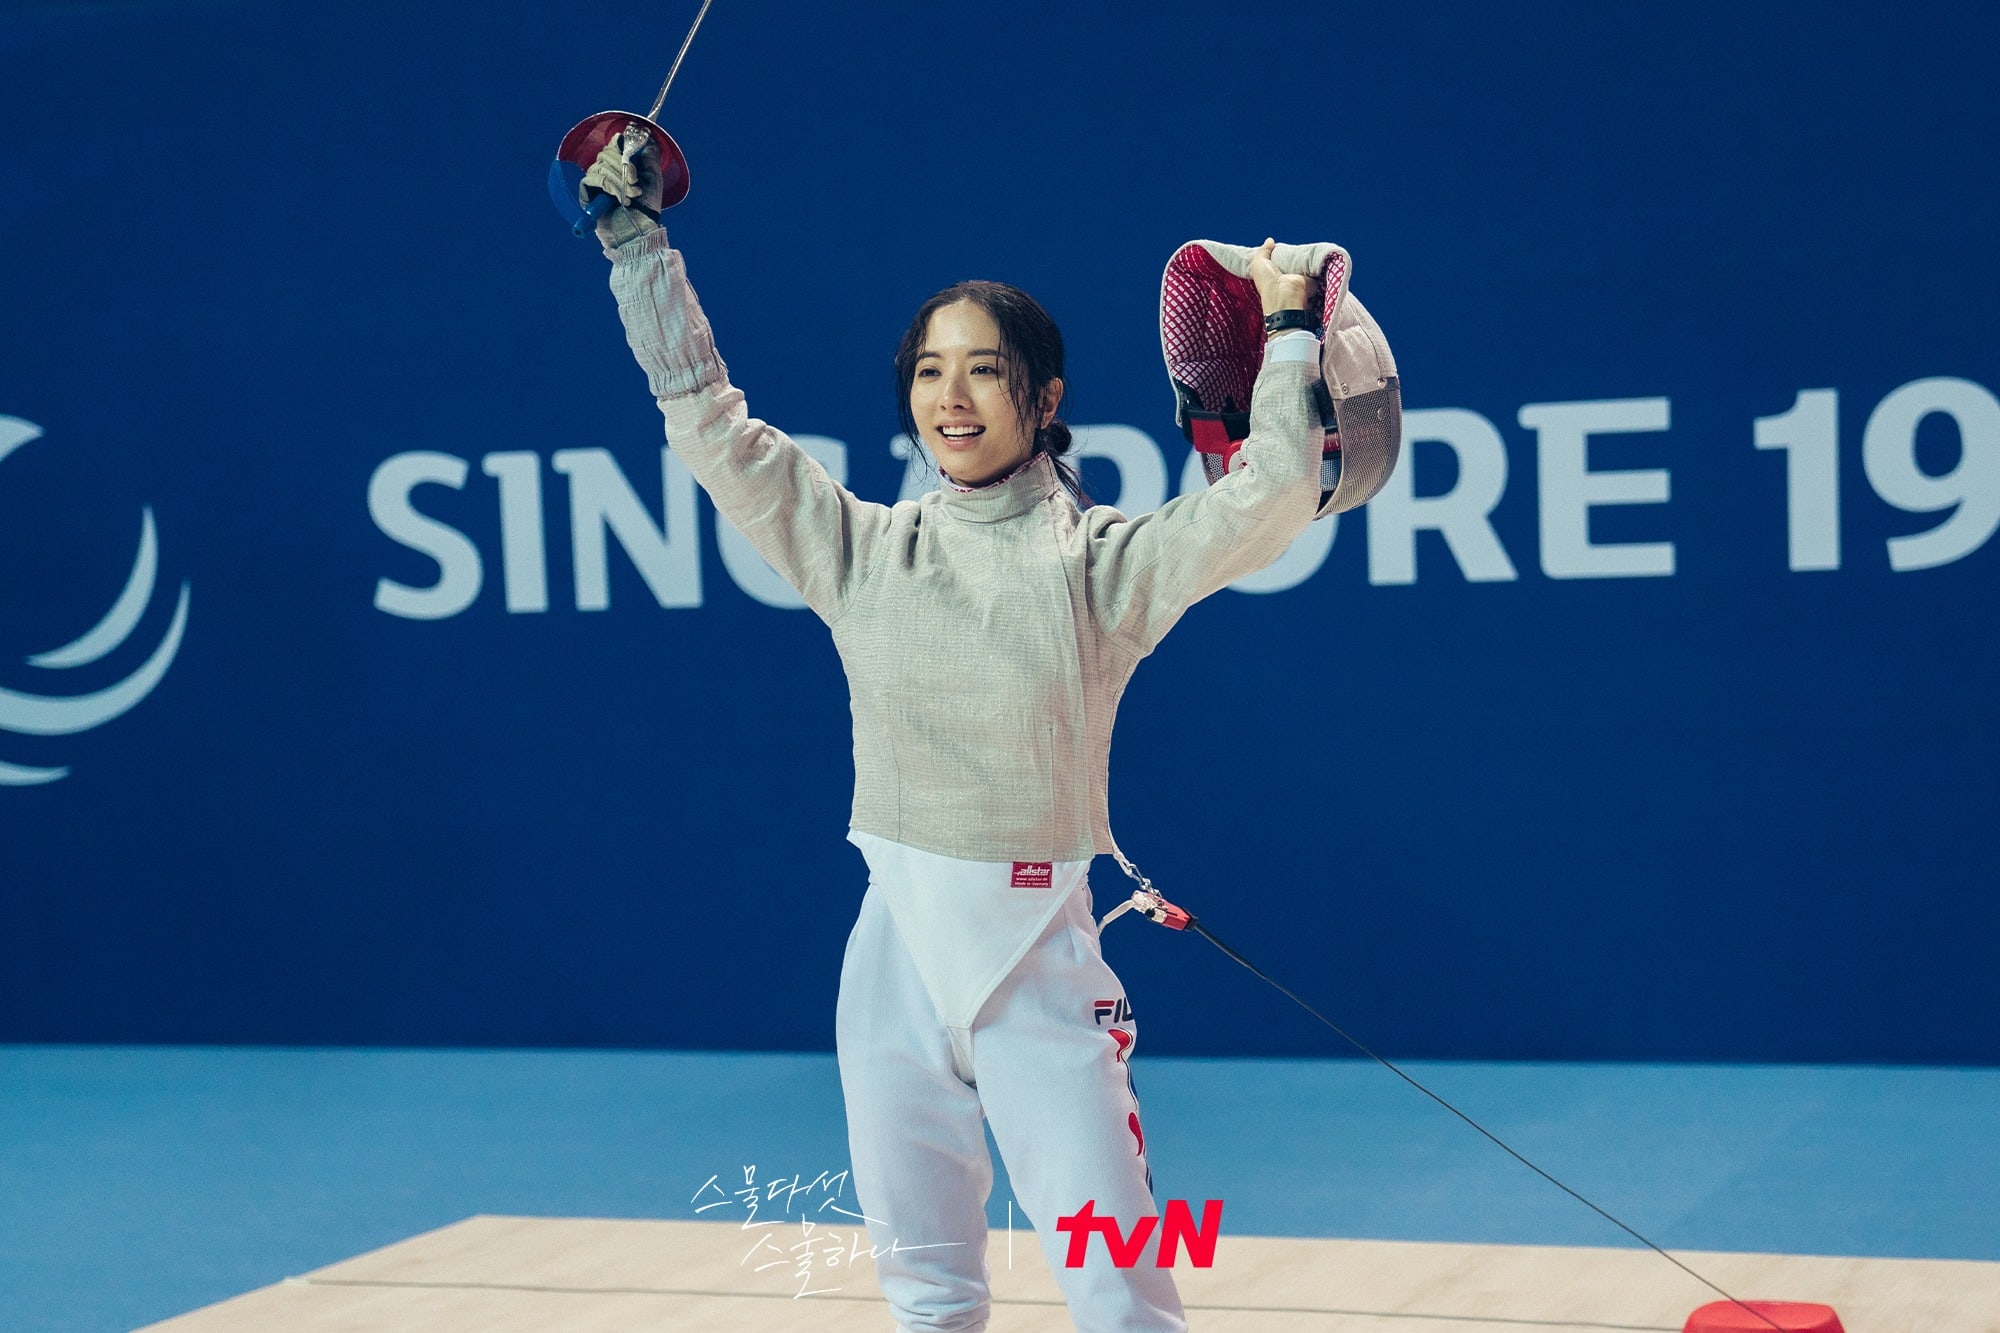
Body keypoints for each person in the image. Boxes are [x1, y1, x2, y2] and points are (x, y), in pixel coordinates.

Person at [585, 130, 1324, 1333]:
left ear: (1045, 398)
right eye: (930, 372)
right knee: (926, 1293)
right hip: (893, 960)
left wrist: (1288, 332)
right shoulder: (861, 551)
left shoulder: (1100, 568)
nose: (951, 397)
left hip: (1038, 976)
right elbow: (707, 418)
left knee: (1122, 1298)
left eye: (984, 371)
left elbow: (1273, 490)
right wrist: (635, 247)